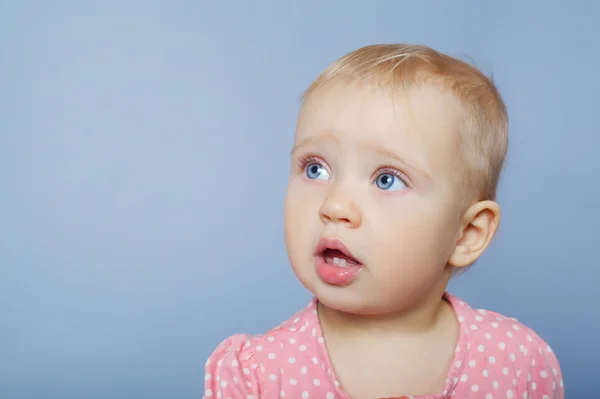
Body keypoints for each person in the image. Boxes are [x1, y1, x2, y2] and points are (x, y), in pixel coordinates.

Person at [202, 44, 563, 399]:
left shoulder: (518, 365)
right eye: (316, 168)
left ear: (466, 234)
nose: (335, 205)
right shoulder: (255, 377)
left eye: (386, 179)